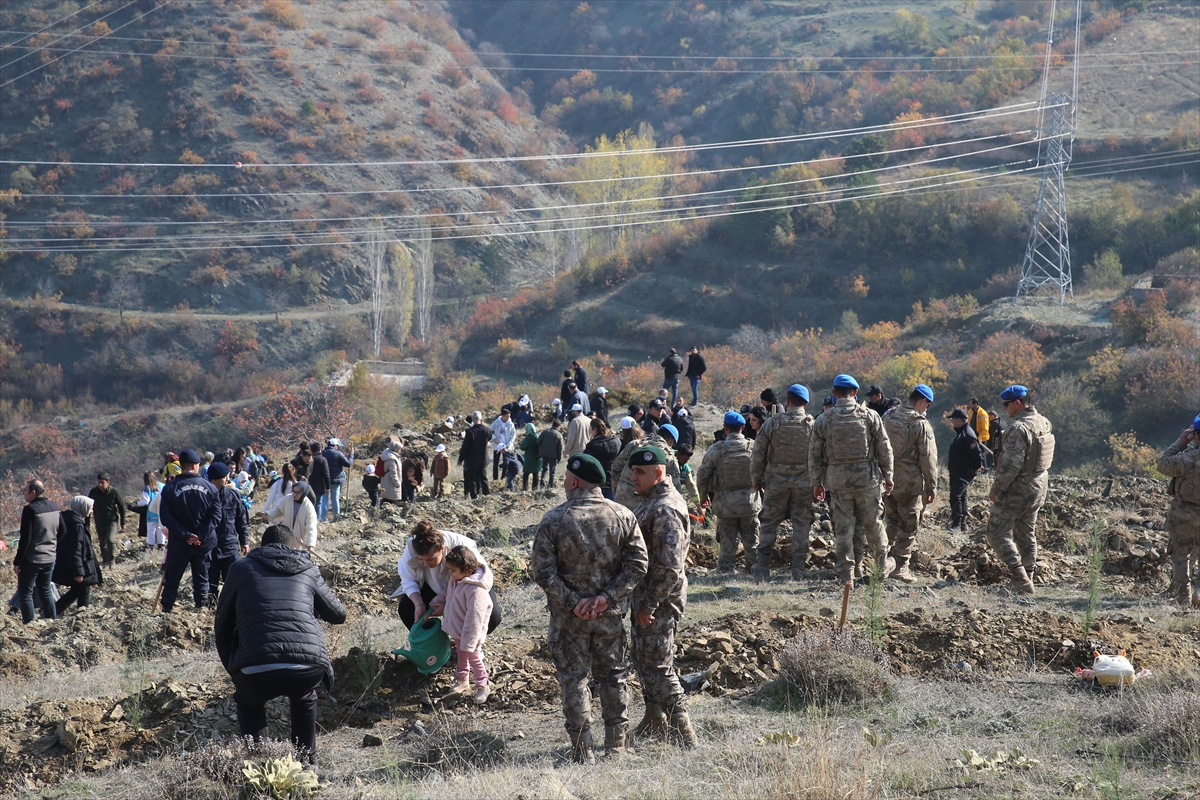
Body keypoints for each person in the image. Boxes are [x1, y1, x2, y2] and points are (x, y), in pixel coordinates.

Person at [531, 453, 649, 763]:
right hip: (609, 617)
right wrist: (607, 598)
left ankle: (582, 752)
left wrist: (573, 603)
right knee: (614, 676)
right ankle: (616, 746)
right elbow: (638, 564)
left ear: (573, 480)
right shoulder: (623, 515)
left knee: (574, 679)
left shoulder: (554, 519)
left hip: (569, 619)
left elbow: (543, 572)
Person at [215, 523, 346, 765]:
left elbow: (222, 624)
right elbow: (338, 615)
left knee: (249, 701)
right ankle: (306, 766)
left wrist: (234, 668)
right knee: (304, 697)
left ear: (261, 547)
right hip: (307, 666)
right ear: (293, 546)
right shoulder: (308, 568)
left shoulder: (240, 568)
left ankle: (261, 767)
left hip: (254, 667)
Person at [628, 445, 695, 748]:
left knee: (657, 665)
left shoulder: (665, 508)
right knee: (643, 660)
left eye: (640, 472)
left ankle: (683, 730)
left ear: (658, 473)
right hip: (646, 597)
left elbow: (670, 567)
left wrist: (649, 604)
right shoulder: (650, 501)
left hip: (659, 601)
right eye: (632, 471)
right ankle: (655, 719)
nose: (634, 477)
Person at [809, 375, 894, 585]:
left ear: (834, 393)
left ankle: (847, 573)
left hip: (838, 481)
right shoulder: (870, 416)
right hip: (867, 479)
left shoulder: (824, 419)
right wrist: (889, 476)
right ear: (855, 393)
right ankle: (880, 568)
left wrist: (816, 482)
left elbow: (814, 454)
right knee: (873, 524)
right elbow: (884, 448)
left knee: (843, 527)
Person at [985, 385, 1055, 595]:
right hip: (1039, 485)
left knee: (995, 531)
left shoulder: (1019, 428)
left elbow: (1011, 465)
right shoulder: (1043, 421)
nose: (1004, 408)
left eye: (1006, 404)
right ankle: (1029, 577)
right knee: (1026, 532)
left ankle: (1020, 578)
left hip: (1019, 488)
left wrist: (996, 489)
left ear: (1018, 403)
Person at [752, 384, 816, 580]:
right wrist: (818, 481)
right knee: (801, 522)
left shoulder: (773, 423)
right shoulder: (812, 424)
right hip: (804, 482)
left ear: (787, 401)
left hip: (775, 481)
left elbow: (758, 452)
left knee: (769, 522)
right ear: (805, 403)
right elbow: (820, 455)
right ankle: (798, 569)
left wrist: (756, 478)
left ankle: (762, 567)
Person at [394, 520, 502, 633]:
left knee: (491, 618)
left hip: (465, 587)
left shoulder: (461, 547)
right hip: (431, 586)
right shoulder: (412, 547)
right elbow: (408, 579)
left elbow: (482, 578)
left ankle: (465, 642)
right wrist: (419, 604)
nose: (426, 564)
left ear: (442, 549)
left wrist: (449, 605)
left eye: (431, 559)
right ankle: (434, 644)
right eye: (421, 560)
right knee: (407, 608)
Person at [881, 385, 938, 583]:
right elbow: (928, 459)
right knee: (909, 525)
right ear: (922, 401)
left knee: (892, 521)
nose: (926, 409)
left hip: (887, 481)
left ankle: (882, 559)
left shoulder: (888, 417)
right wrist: (931, 487)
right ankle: (899, 567)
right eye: (927, 405)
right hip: (909, 484)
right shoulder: (919, 424)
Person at [696, 411, 761, 573]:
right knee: (752, 542)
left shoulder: (716, 450)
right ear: (743, 428)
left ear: (725, 428)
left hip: (726, 507)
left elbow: (702, 475)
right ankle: (755, 569)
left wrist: (703, 497)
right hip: (750, 504)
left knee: (727, 543)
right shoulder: (753, 447)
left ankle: (725, 571)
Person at [158, 449, 220, 612]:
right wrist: (200, 535)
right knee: (201, 579)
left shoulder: (169, 489)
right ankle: (201, 609)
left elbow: (166, 518)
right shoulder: (210, 488)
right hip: (203, 544)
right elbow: (215, 516)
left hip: (179, 544)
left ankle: (166, 611)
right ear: (195, 465)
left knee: (172, 580)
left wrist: (185, 535)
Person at [441, 545, 494, 704]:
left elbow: (475, 617)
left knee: (474, 657)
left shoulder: (476, 591)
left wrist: (469, 639)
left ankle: (483, 684)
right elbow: (448, 594)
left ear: (467, 569)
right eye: (449, 569)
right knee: (461, 654)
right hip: (459, 630)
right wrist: (435, 602)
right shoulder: (456, 580)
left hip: (471, 633)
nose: (450, 573)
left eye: (453, 570)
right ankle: (462, 679)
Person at [1156, 416, 1200, 606]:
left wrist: (1182, 441)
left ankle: (1183, 593)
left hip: (1183, 515)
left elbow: (1163, 463)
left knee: (1180, 554)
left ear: (1195, 435)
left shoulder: (1185, 458)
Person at [15, 480, 65, 624]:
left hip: (33, 559)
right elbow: (63, 530)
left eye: (25, 490)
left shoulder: (30, 510)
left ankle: (29, 623)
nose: (23, 493)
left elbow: (25, 539)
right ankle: (52, 619)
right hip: (50, 557)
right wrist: (52, 545)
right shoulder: (54, 506)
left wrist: (18, 561)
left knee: (26, 592)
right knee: (45, 589)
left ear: (33, 492)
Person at [207, 461, 250, 598]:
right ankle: (210, 609)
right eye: (224, 477)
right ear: (214, 479)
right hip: (210, 549)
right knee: (210, 586)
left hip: (230, 546)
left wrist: (244, 541)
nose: (228, 479)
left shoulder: (233, 495)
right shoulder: (204, 497)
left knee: (234, 583)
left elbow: (241, 520)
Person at [54, 495, 103, 614]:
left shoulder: (68, 521)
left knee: (78, 590)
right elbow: (75, 550)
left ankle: (53, 611)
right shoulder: (76, 526)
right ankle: (80, 615)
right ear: (83, 507)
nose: (91, 511)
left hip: (75, 564)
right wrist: (78, 572)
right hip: (80, 565)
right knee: (83, 590)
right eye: (90, 508)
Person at [947, 409, 983, 531]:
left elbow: (976, 453)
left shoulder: (967, 434)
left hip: (964, 472)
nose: (951, 421)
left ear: (958, 420)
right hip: (957, 471)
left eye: (953, 419)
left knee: (955, 495)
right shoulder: (961, 433)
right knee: (961, 496)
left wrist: (977, 466)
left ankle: (956, 524)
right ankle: (962, 525)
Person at [87, 472, 125, 567]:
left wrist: (122, 522)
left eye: (102, 482)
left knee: (110, 540)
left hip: (111, 521)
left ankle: (111, 561)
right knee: (102, 542)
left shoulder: (113, 492)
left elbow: (121, 507)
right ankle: (105, 561)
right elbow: (88, 508)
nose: (100, 485)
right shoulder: (93, 492)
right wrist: (87, 523)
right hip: (99, 521)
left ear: (108, 482)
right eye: (99, 482)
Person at [584, 417, 622, 501]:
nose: (590, 432)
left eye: (591, 429)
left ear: (595, 429)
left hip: (598, 483)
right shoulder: (616, 442)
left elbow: (586, 465)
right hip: (613, 481)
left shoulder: (592, 446)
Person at [320, 438, 354, 523]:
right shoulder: (338, 454)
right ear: (335, 445)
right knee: (335, 499)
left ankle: (323, 519)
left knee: (324, 500)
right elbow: (348, 464)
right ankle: (336, 517)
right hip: (336, 480)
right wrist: (351, 455)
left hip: (324, 480)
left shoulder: (322, 453)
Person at [459, 413, 491, 499]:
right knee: (483, 477)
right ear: (481, 419)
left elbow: (465, 447)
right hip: (483, 458)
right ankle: (487, 495)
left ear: (473, 419)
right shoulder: (487, 430)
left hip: (471, 459)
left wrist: (460, 459)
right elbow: (489, 439)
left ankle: (474, 496)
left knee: (472, 479)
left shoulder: (469, 431)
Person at [135, 471, 165, 549]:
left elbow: (146, 501)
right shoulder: (162, 486)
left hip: (151, 512)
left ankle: (150, 546)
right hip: (161, 511)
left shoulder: (146, 488)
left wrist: (136, 504)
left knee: (151, 529)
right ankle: (161, 545)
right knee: (160, 529)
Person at [489, 408, 517, 482]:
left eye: (509, 416)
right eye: (507, 416)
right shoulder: (496, 422)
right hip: (497, 445)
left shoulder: (510, 424)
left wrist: (509, 445)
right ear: (502, 416)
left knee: (506, 463)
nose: (508, 417)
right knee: (496, 462)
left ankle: (503, 478)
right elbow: (489, 431)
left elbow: (513, 435)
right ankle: (495, 479)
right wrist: (494, 438)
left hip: (506, 446)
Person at [307, 442, 331, 522]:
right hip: (320, 485)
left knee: (309, 503)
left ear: (312, 450)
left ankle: (309, 520)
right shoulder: (322, 459)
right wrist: (328, 486)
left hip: (309, 484)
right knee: (318, 503)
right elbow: (326, 474)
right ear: (320, 450)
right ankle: (317, 520)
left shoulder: (309, 459)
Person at [538, 419, 565, 489]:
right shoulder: (559, 435)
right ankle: (550, 486)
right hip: (553, 456)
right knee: (552, 472)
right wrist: (559, 458)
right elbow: (560, 448)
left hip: (544, 454)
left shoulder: (545, 432)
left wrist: (541, 448)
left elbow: (538, 441)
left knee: (544, 470)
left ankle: (542, 485)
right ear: (558, 427)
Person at [968, 397, 992, 469]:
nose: (970, 405)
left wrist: (980, 438)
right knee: (972, 452)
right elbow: (969, 423)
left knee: (981, 453)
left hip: (982, 437)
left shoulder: (983, 413)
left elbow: (985, 429)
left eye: (971, 404)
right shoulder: (970, 411)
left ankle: (984, 470)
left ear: (976, 404)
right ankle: (975, 468)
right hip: (973, 435)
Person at [519, 423, 543, 491]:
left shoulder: (528, 438)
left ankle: (525, 489)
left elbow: (522, 447)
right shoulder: (538, 436)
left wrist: (523, 440)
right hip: (538, 458)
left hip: (529, 458)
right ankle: (534, 489)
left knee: (526, 474)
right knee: (536, 473)